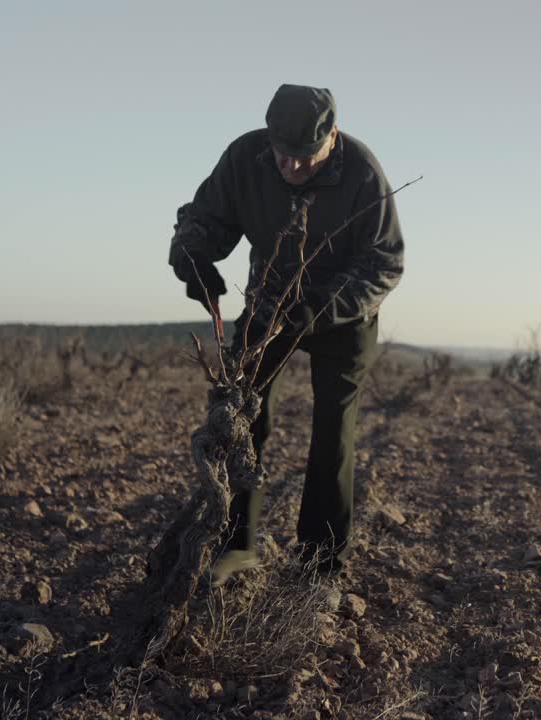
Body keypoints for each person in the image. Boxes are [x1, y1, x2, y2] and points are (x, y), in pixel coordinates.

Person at [168, 84, 405, 584]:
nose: (292, 168)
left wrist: (323, 307)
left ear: (332, 137)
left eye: (306, 158)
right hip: (269, 304)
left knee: (332, 434)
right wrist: (192, 258)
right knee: (241, 418)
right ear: (269, 137)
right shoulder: (245, 156)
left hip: (343, 317)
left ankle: (321, 566)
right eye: (283, 155)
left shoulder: (362, 171)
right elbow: (207, 218)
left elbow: (385, 261)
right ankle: (237, 545)